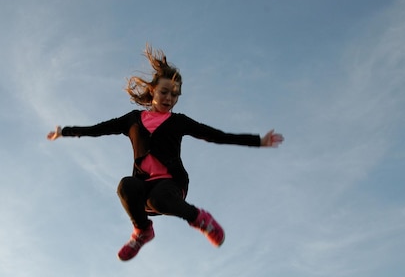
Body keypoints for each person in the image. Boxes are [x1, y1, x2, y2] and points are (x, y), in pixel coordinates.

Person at [47, 44, 284, 261]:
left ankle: (201, 219)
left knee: (158, 199)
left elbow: (215, 135)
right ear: (152, 91)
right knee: (125, 186)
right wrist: (65, 131)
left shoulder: (178, 121)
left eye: (175, 94)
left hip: (171, 185)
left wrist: (257, 141)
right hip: (144, 185)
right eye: (164, 92)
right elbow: (99, 129)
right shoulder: (132, 120)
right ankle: (142, 231)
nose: (169, 98)